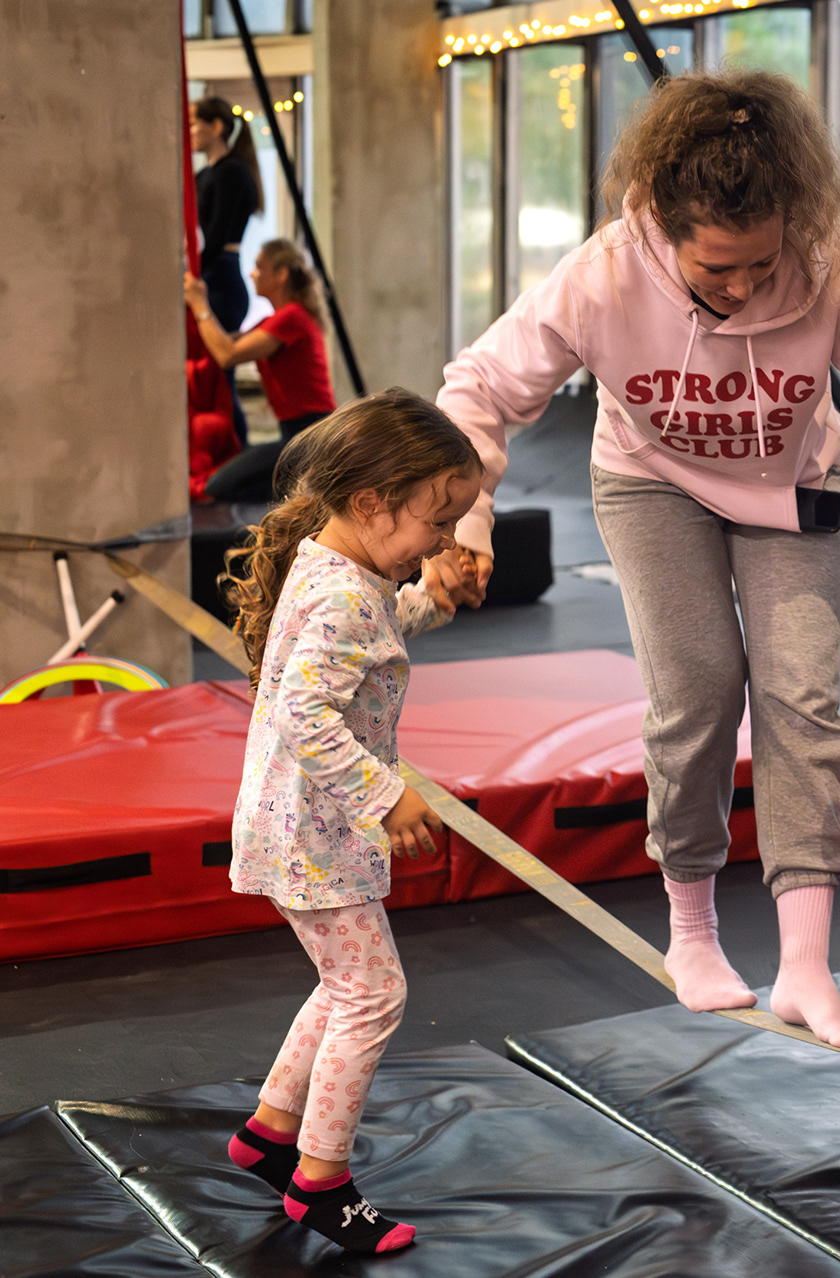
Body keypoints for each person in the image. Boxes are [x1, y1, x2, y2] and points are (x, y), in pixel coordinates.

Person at [434, 70, 840, 1051]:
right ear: (664, 227)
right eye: (717, 268)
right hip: (653, 484)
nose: (743, 288)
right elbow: (480, 387)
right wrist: (466, 520)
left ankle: (805, 965)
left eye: (762, 263)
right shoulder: (603, 276)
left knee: (803, 698)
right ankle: (692, 927)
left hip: (790, 489)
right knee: (699, 689)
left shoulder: (838, 267)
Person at [219, 390, 482, 1254]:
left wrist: (433, 597)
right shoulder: (344, 595)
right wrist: (386, 795)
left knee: (346, 986)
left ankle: (269, 1133)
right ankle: (321, 1181)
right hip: (315, 829)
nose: (444, 538)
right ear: (372, 503)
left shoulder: (338, 565)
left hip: (298, 823)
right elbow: (306, 712)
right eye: (436, 521)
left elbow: (374, 631)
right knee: (374, 995)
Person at [187, 239, 338, 503]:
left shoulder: (291, 317)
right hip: (300, 434)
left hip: (310, 436)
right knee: (230, 483)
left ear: (281, 275)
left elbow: (227, 355)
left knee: (217, 488)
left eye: (260, 267)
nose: (252, 273)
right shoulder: (278, 320)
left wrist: (199, 304)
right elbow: (223, 343)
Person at [190, 95, 264, 451]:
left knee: (222, 373)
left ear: (216, 127)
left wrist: (194, 275)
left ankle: (236, 453)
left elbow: (217, 234)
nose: (189, 131)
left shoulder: (232, 172)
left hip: (220, 277)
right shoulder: (204, 174)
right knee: (212, 374)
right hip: (211, 274)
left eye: (194, 123)